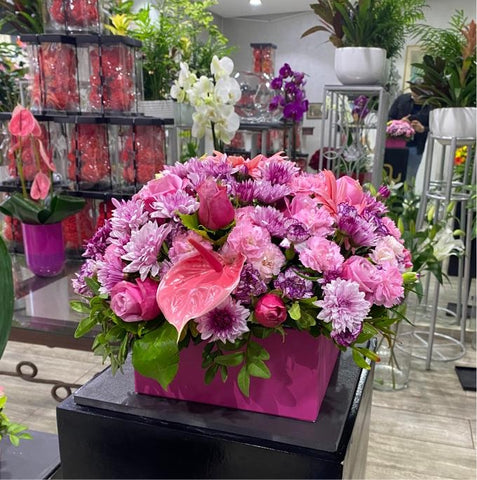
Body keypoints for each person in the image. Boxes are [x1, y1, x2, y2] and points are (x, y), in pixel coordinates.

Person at [388, 86, 431, 181]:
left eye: (417, 96)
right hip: (396, 145)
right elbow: (388, 118)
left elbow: (435, 128)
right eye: (413, 95)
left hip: (416, 146)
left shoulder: (431, 106)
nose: (414, 98)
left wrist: (423, 129)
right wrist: (399, 123)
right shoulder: (402, 99)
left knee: (410, 177)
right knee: (392, 174)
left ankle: (408, 191)